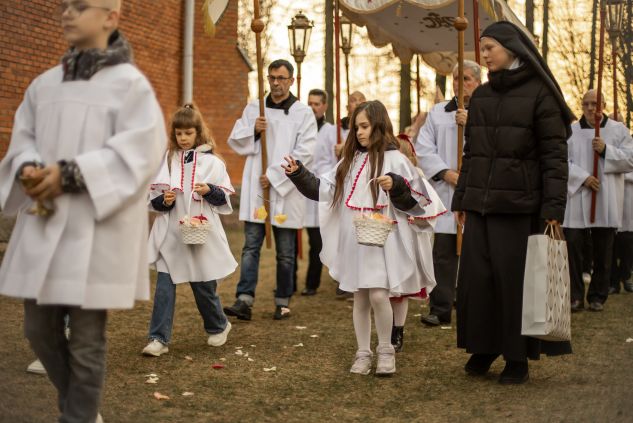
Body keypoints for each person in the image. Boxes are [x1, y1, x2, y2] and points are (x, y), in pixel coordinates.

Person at [0, 1, 166, 421]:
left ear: (111, 17)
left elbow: (142, 149)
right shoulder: (44, 84)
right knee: (38, 330)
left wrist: (72, 174)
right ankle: (80, 410)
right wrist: (27, 168)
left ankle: (77, 416)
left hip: (98, 230)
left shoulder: (130, 85)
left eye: (80, 6)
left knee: (88, 340)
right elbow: (24, 139)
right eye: (64, 6)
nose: (66, 13)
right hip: (46, 219)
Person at [451, 21, 575, 384]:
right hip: (481, 205)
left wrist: (553, 209)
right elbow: (471, 153)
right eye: (481, 48)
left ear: (512, 48)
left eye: (490, 47)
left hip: (520, 207)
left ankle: (516, 357)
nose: (484, 54)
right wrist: (462, 198)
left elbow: (555, 158)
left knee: (513, 283)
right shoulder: (483, 97)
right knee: (478, 282)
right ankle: (485, 347)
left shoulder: (541, 95)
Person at [284, 100, 435, 376]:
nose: (360, 133)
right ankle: (363, 352)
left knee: (379, 294)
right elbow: (323, 189)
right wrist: (298, 174)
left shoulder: (396, 159)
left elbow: (417, 201)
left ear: (378, 125)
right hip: (355, 238)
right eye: (356, 128)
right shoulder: (349, 161)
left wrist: (397, 185)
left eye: (364, 126)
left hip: (383, 241)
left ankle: (387, 350)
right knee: (361, 298)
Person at [225, 59, 317, 320]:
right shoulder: (256, 107)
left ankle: (282, 299)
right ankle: (244, 299)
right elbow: (236, 140)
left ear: (291, 80)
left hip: (286, 190)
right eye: (272, 78)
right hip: (257, 188)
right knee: (251, 246)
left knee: (286, 252)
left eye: (281, 78)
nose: (276, 83)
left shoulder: (302, 113)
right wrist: (254, 130)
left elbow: (305, 152)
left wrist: (275, 176)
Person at [142, 103, 237, 357]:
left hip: (199, 233)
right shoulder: (168, 162)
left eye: (188, 133)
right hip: (170, 232)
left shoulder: (212, 163)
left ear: (198, 133)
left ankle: (218, 324)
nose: (183, 138)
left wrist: (210, 191)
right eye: (178, 133)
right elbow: (154, 201)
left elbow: (224, 201)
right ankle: (158, 338)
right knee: (164, 285)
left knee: (202, 286)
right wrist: (165, 200)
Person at [416, 60, 482, 327]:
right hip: (446, 191)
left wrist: (473, 123)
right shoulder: (437, 113)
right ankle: (440, 307)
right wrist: (446, 173)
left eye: (466, 78)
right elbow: (424, 148)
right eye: (457, 78)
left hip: (475, 191)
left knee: (474, 255)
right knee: (443, 254)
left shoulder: (486, 112)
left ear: (478, 82)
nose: (460, 83)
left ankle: (472, 305)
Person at [563, 90, 633, 310]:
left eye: (595, 104)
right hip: (577, 197)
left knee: (603, 249)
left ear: (603, 104)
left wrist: (606, 151)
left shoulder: (618, 130)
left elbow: (630, 159)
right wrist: (582, 178)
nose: (591, 108)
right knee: (573, 245)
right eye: (586, 104)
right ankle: (575, 295)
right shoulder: (571, 132)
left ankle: (597, 295)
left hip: (606, 197)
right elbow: (561, 160)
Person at [390, 134, 445, 352]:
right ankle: (389, 330)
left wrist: (418, 218)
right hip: (387, 235)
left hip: (408, 239)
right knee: (385, 290)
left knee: (401, 291)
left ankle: (398, 330)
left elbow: (428, 206)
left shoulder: (417, 177)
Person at [300, 89, 334, 296]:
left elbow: (332, 161)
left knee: (317, 241)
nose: (313, 107)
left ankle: (312, 283)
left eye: (317, 104)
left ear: (325, 106)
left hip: (321, 187)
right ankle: (294, 283)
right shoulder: (303, 128)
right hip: (302, 187)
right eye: (310, 103)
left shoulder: (330, 131)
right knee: (299, 238)